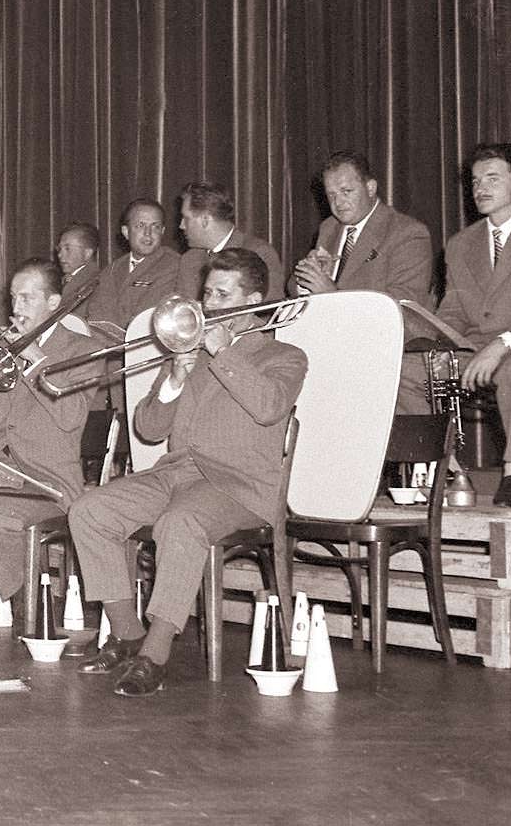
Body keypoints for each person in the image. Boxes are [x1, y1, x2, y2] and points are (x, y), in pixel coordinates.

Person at [68, 249, 307, 696]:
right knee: (89, 509)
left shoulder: (285, 356)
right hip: (177, 473)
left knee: (180, 521)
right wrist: (175, 377)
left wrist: (222, 354)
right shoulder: (189, 350)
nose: (207, 303)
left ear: (254, 299)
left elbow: (270, 406)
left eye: (221, 294)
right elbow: (148, 427)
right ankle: (127, 634)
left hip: (236, 485)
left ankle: (154, 655)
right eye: (206, 293)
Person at [0, 258, 104, 630]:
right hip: (3, 474)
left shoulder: (82, 349)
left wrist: (36, 360)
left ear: (54, 303)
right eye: (13, 298)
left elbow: (70, 418)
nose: (16, 308)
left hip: (50, 480)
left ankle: (32, 608)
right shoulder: (6, 351)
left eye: (26, 298)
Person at [290, 151, 434, 413]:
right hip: (335, 346)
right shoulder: (328, 228)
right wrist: (307, 278)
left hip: (384, 351)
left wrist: (331, 293)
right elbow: (294, 287)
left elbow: (401, 305)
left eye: (346, 191)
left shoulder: (407, 233)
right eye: (331, 195)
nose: (338, 202)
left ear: (370, 188)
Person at [438, 143, 511, 506]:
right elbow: (452, 310)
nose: (480, 188)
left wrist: (501, 344)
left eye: (492, 179)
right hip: (471, 348)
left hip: (509, 348)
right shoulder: (459, 244)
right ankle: (442, 472)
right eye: (475, 181)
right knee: (403, 371)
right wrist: (437, 345)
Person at [86, 199, 181, 343]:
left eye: (155, 227)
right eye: (140, 226)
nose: (148, 234)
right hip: (106, 349)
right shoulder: (112, 268)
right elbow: (96, 312)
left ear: (162, 231)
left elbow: (145, 319)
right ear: (126, 231)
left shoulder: (174, 265)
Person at [177, 181, 286, 301]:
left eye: (186, 219)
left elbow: (269, 312)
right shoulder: (189, 260)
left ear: (205, 220)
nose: (181, 225)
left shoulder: (260, 253)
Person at [56, 222, 102, 316]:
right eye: (59, 249)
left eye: (67, 249)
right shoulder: (63, 280)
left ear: (87, 253)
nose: (60, 255)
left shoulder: (96, 282)